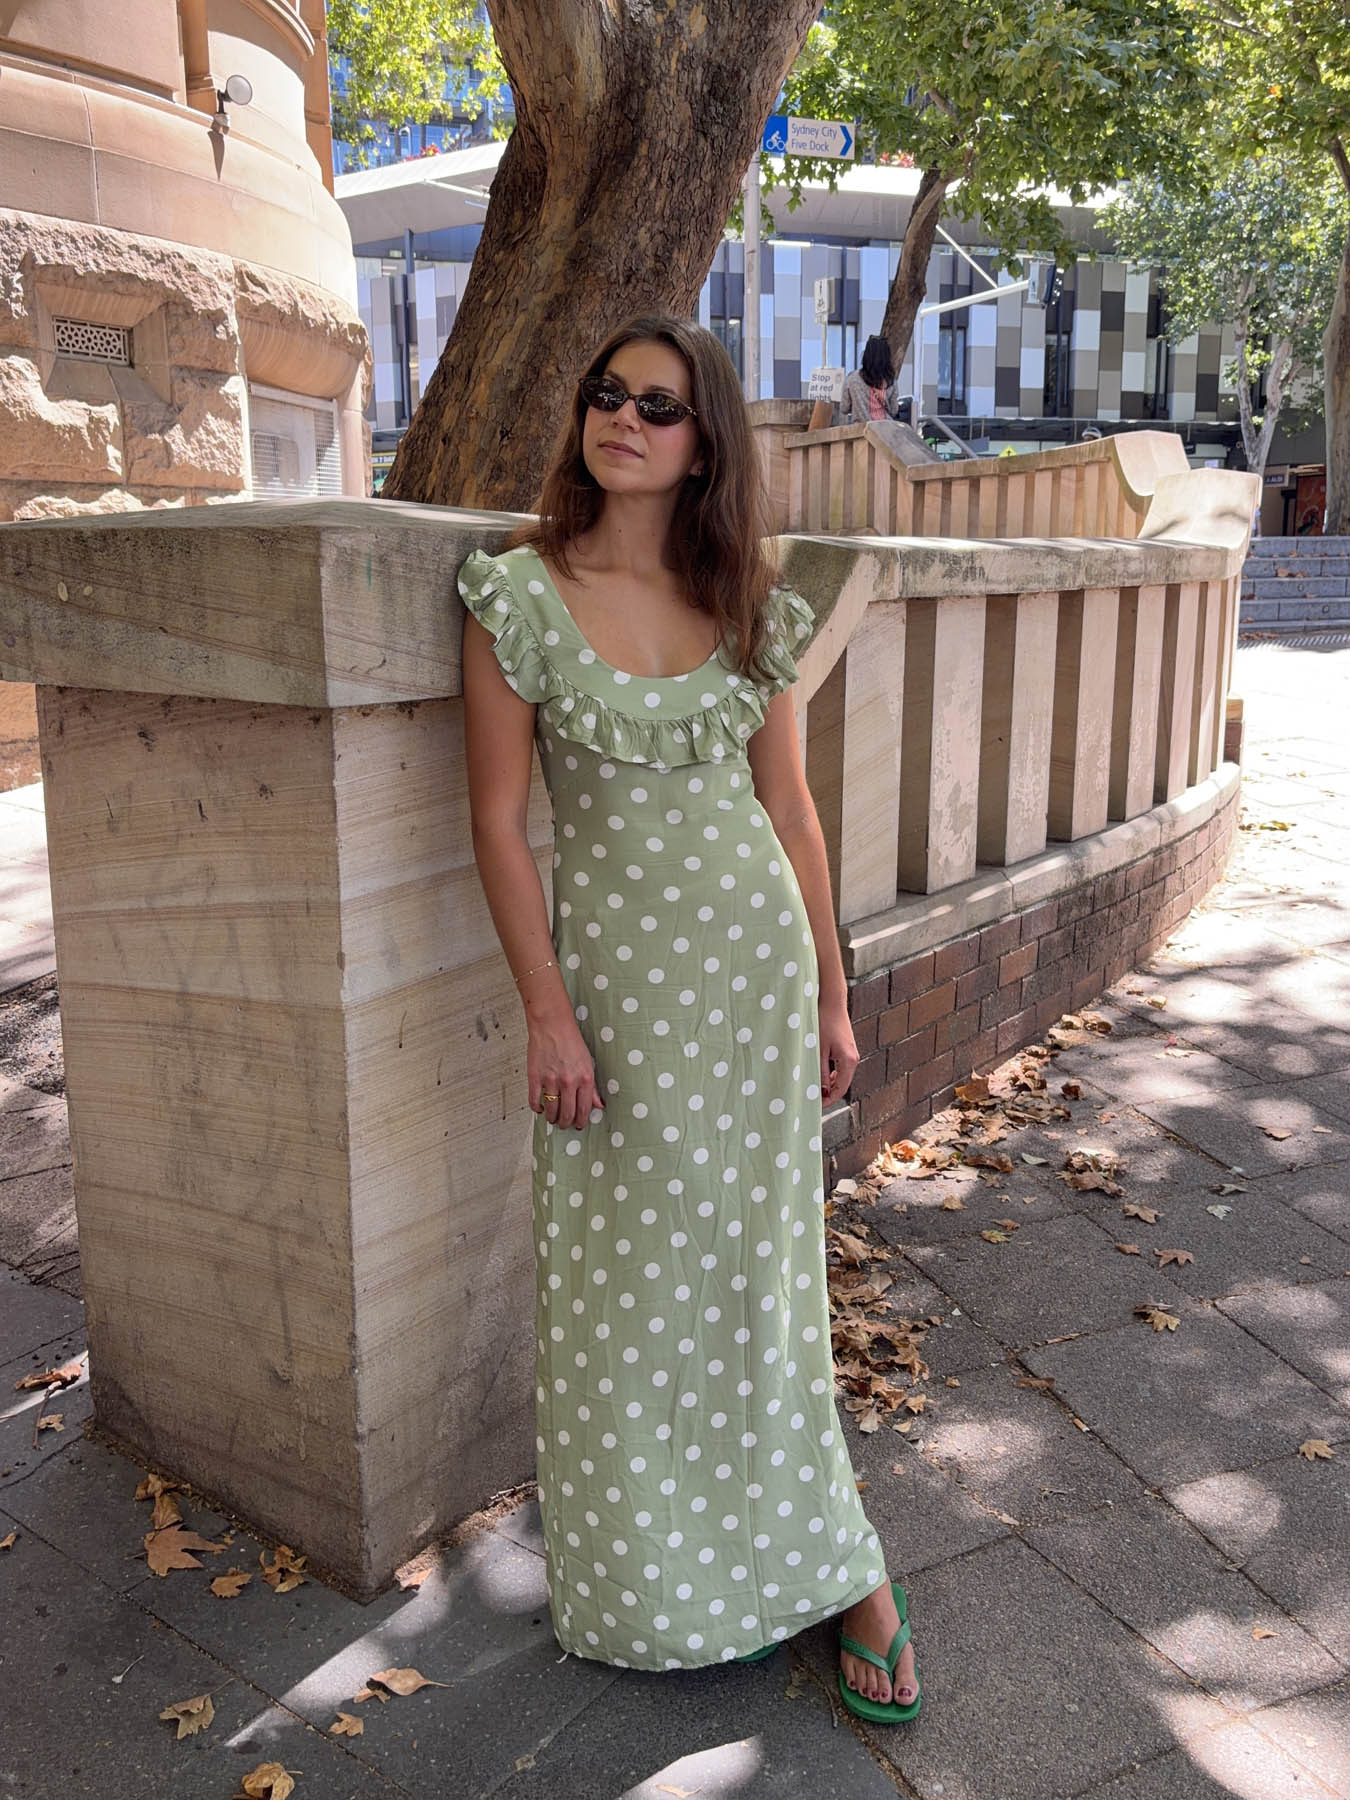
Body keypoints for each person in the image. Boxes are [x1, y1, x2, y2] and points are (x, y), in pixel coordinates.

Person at [457, 313, 921, 1723]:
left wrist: (832, 990)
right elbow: (496, 824)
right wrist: (546, 1015)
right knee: (623, 1297)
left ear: (705, 440)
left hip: (752, 990)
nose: (624, 418)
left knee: (761, 1287)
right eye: (606, 394)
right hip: (613, 1004)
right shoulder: (516, 596)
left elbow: (791, 810)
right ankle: (662, 1586)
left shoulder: (745, 601)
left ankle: (840, 1566)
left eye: (658, 405)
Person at [841, 334, 902, 425]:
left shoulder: (852, 378)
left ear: (866, 355)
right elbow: (894, 410)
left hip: (861, 430)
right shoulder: (891, 381)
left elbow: (844, 408)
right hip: (885, 430)